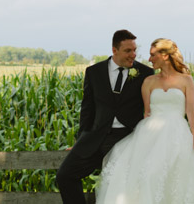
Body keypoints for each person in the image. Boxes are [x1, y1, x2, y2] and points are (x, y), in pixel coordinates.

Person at [95, 38, 194, 204]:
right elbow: (147, 112)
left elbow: (191, 111)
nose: (149, 59)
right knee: (146, 175)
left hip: (177, 135)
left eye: (153, 55)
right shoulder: (148, 82)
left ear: (165, 56)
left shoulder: (186, 80)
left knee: (174, 180)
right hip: (151, 133)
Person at [56, 29, 153, 204]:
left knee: (123, 188)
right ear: (114, 50)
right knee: (65, 176)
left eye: (134, 50)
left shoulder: (146, 73)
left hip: (127, 138)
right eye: (128, 51)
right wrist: (80, 141)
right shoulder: (94, 72)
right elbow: (87, 110)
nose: (133, 55)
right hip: (95, 137)